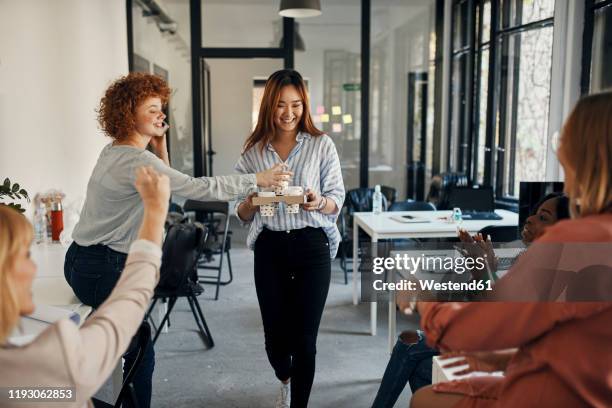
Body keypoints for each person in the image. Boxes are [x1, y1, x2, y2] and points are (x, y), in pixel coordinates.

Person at [64, 72, 291, 408]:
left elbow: (165, 189)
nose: (162, 116)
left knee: (124, 346)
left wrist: (160, 147)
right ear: (129, 114)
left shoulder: (115, 151)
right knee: (140, 350)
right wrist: (259, 179)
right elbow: (195, 188)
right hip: (104, 267)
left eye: (161, 109)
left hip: (82, 260)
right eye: (153, 109)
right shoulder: (134, 160)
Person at [410, 92, 612, 407]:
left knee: (424, 396)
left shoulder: (576, 242)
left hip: (554, 393)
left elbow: (476, 329)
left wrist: (421, 299)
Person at [371, 193, 570, 408]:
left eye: (543, 218)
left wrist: (483, 268)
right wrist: (486, 268)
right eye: (535, 214)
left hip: (506, 355)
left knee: (415, 355)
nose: (530, 219)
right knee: (413, 352)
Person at [1, 166, 169, 408]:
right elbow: (125, 309)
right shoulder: (42, 362)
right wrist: (155, 210)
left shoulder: (20, 386)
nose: (33, 269)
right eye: (25, 257)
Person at [235, 69, 345, 408]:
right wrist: (254, 198)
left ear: (304, 105)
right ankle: (285, 376)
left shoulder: (321, 144)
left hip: (313, 245)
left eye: (296, 104)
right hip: (270, 249)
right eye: (281, 104)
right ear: (269, 105)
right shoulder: (253, 151)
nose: (288, 113)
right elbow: (238, 211)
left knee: (305, 341)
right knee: (275, 343)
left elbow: (336, 198)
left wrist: (318, 201)